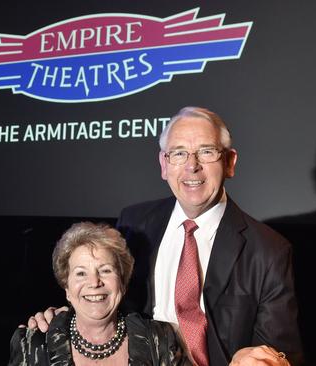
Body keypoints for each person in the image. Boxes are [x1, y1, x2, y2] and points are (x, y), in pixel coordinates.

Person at [28, 107, 301, 366]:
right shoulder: (134, 225)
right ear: (163, 164)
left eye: (206, 152)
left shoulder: (268, 250)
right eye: (179, 153)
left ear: (229, 162)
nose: (192, 167)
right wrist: (66, 319)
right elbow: (106, 298)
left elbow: (280, 352)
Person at [8, 222, 190, 365]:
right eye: (81, 273)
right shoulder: (32, 343)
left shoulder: (160, 339)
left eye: (105, 270)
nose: (94, 282)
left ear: (123, 283)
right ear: (67, 289)